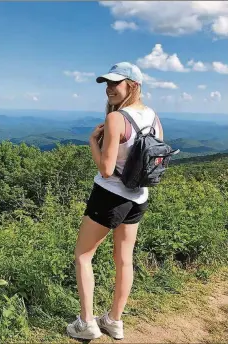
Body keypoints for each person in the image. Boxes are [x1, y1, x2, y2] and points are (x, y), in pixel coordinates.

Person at [66, 62, 163, 340]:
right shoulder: (154, 117)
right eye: (107, 84)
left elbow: (106, 169)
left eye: (115, 83)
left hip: (109, 196)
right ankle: (114, 320)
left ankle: (86, 324)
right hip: (138, 198)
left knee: (83, 256)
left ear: (133, 85)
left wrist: (92, 144)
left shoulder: (116, 119)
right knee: (124, 260)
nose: (109, 88)